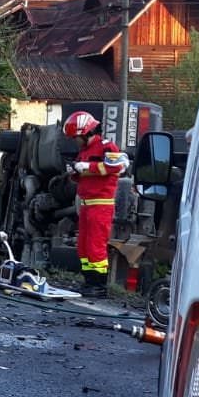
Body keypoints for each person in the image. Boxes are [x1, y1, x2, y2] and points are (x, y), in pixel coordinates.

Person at [63, 110, 127, 296]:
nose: (75, 141)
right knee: (83, 245)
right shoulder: (83, 152)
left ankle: (99, 286)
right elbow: (82, 176)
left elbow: (115, 167)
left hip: (101, 204)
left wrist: (87, 167)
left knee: (95, 245)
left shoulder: (107, 147)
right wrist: (74, 171)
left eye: (76, 137)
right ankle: (89, 282)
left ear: (85, 133)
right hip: (85, 204)